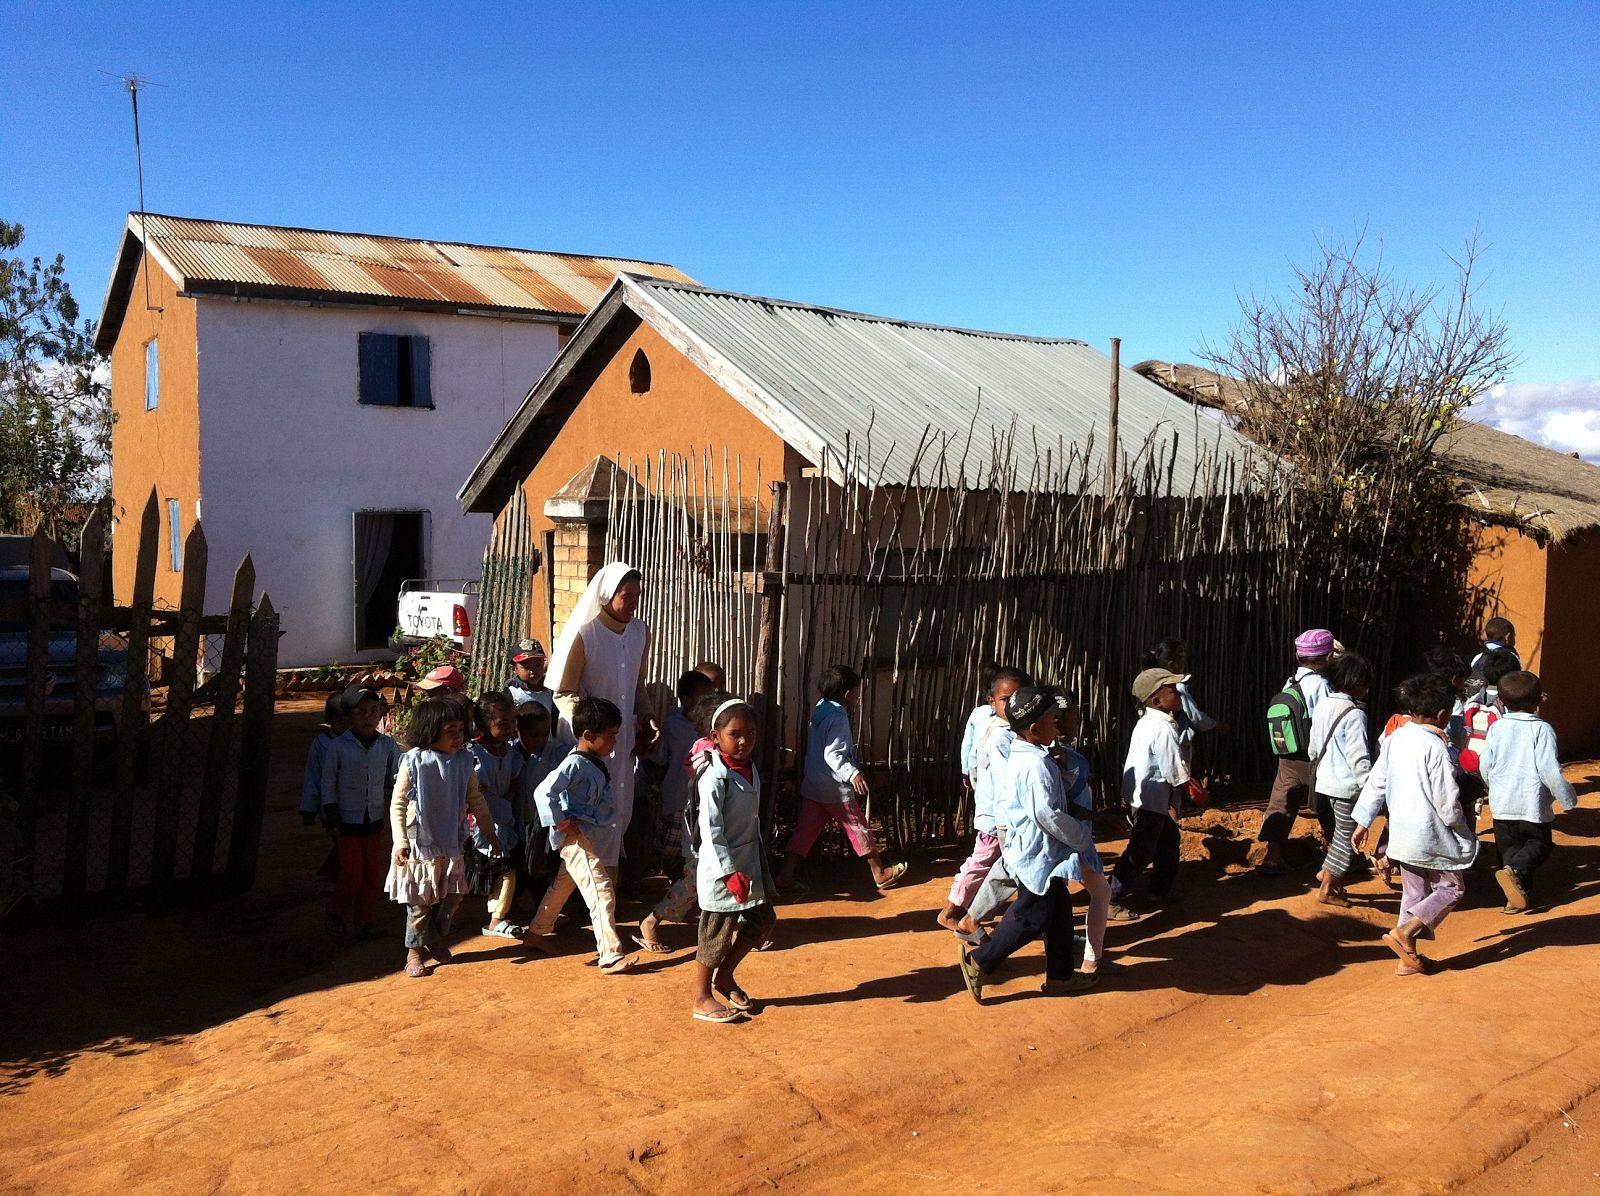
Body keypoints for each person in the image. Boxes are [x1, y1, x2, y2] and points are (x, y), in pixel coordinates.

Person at [958, 687, 1108, 1001]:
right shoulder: (1035, 764)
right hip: (1038, 851)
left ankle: (1060, 977)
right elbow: (1046, 812)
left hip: (1039, 850)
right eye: (1053, 719)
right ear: (1036, 729)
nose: (1058, 723)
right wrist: (1080, 837)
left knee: (1059, 909)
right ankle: (979, 961)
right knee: (1033, 915)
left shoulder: (1031, 754)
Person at [1352, 673, 1477, 976]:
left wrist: (1363, 821)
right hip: (1432, 834)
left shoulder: (1395, 739)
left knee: (1414, 892)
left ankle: (1407, 956)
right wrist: (1461, 830)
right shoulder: (1437, 749)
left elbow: (1375, 783)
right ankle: (1405, 934)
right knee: (1451, 888)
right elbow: (1447, 801)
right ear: (1444, 714)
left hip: (1401, 834)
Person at [547, 563, 654, 871]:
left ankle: (608, 890)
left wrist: (646, 715)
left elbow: (638, 684)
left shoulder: (639, 633)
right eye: (626, 595)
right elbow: (563, 693)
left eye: (636, 595)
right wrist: (590, 730)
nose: (633, 602)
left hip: (621, 745)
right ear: (607, 595)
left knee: (618, 809)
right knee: (587, 814)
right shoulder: (586, 635)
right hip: (589, 746)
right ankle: (589, 893)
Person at [386, 698, 501, 978]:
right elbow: (398, 803)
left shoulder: (463, 761)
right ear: (430, 730)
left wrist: (489, 831)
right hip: (420, 846)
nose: (457, 737)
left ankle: (435, 938)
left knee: (453, 896)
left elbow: (475, 799)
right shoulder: (414, 761)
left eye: (461, 730)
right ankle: (414, 953)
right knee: (420, 902)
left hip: (451, 843)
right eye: (450, 730)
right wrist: (400, 842)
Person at [773, 665, 909, 894]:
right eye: (856, 692)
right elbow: (833, 754)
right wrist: (852, 773)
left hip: (814, 785)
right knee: (858, 827)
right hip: (833, 787)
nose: (857, 697)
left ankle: (785, 875)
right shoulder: (837, 717)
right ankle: (880, 872)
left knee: (805, 831)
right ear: (847, 694)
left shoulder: (821, 709)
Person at [526, 697, 636, 974]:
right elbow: (543, 792)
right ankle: (610, 955)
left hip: (585, 837)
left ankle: (536, 932)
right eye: (610, 736)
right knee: (601, 890)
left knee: (562, 887)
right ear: (589, 736)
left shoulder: (592, 762)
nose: (614, 741)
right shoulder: (574, 764)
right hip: (575, 839)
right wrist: (562, 824)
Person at [690, 698, 775, 1023]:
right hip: (722, 870)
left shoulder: (749, 767)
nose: (743, 742)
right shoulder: (714, 777)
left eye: (750, 734)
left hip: (748, 863)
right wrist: (728, 874)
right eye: (735, 734)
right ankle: (701, 997)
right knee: (715, 934)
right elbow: (711, 833)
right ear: (715, 736)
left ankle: (724, 977)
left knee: (763, 919)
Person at [938, 666, 1030, 940]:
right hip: (998, 816)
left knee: (997, 864)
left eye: (1018, 698)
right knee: (983, 861)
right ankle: (953, 909)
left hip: (1001, 814)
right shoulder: (1000, 733)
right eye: (1005, 700)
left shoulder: (1011, 730)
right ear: (992, 701)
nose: (1012, 705)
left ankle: (977, 908)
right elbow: (1005, 782)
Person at [1479, 671, 1579, 913]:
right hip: (1532, 804)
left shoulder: (1497, 728)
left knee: (1509, 850)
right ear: (1539, 701)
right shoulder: (1542, 730)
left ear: (1500, 702)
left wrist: (1492, 787)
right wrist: (1567, 798)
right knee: (1539, 844)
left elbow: (1485, 764)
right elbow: (1549, 770)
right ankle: (1515, 875)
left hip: (1503, 804)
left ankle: (1515, 898)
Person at [637, 672, 720, 953]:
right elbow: (663, 757)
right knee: (693, 875)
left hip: (716, 821)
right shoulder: (682, 732)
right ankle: (654, 917)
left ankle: (740, 931)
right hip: (687, 810)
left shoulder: (715, 740)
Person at [1110, 667, 1196, 919]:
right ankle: (1109, 896)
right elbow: (1174, 768)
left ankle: (1159, 891)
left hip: (1145, 799)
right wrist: (1193, 791)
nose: (1179, 693)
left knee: (1168, 843)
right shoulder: (1162, 729)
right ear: (1157, 700)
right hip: (1150, 802)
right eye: (1172, 690)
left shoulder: (1148, 722)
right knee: (1141, 852)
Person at [320, 685, 401, 940]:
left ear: (380, 714)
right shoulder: (339, 747)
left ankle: (363, 922)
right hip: (346, 822)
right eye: (361, 712)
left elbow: (399, 774)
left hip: (373, 821)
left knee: (373, 874)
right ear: (350, 717)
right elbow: (328, 782)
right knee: (353, 874)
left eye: (373, 711)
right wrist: (330, 814)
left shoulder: (387, 745)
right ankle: (335, 910)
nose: (368, 717)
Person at [1258, 628, 1335, 875]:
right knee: (1327, 803)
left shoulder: (1291, 683)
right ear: (1327, 658)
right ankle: (1341, 856)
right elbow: (1327, 721)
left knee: (1282, 801)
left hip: (1288, 754)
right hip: (1312, 756)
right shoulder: (1322, 685)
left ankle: (1273, 856)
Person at [1307, 652, 1373, 907]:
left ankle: (1326, 873)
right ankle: (1326, 888)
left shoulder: (1323, 704)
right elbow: (1359, 758)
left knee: (1340, 834)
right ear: (1356, 683)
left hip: (1325, 782)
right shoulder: (1355, 714)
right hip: (1347, 787)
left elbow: (1313, 748)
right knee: (1347, 841)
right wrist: (1370, 788)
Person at [465, 691, 526, 939]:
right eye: (502, 724)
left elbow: (513, 780)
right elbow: (471, 790)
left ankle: (497, 917)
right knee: (480, 872)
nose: (510, 729)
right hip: (480, 823)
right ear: (483, 725)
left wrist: (508, 796)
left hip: (504, 819)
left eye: (513, 723)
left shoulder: (510, 752)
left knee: (506, 869)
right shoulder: (473, 754)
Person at [300, 694, 350, 897]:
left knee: (349, 843)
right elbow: (313, 776)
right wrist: (308, 808)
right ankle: (328, 876)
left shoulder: (360, 742)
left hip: (355, 806)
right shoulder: (321, 745)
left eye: (350, 721)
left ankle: (336, 877)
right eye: (341, 722)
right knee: (344, 844)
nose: (346, 726)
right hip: (330, 808)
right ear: (329, 720)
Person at [1145, 637, 1226, 764]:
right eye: (1182, 659)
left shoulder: (1151, 685)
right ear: (1172, 665)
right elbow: (1196, 717)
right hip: (1176, 743)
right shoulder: (1177, 687)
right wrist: (1217, 725)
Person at [514, 699, 567, 884]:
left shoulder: (557, 753)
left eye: (545, 734)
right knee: (521, 863)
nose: (541, 740)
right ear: (518, 730)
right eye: (533, 735)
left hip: (544, 822)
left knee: (541, 863)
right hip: (519, 819)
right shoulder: (511, 755)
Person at [505, 640, 554, 714]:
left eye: (538, 665)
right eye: (527, 667)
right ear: (514, 669)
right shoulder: (511, 694)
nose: (533, 671)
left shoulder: (550, 690)